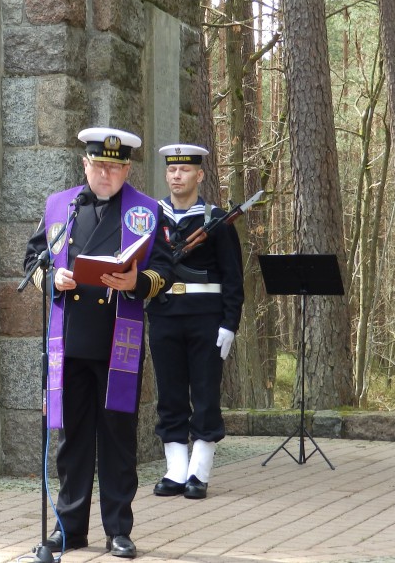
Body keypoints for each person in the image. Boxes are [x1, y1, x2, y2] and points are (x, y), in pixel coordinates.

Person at [24, 127, 167, 559]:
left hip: (117, 340)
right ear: (84, 165)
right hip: (69, 342)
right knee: (74, 439)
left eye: (115, 166)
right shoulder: (60, 206)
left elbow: (165, 272)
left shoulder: (145, 210)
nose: (106, 174)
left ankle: (119, 530)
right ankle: (69, 529)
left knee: (118, 437)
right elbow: (33, 259)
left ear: (127, 169)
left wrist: (137, 280)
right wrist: (52, 277)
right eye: (98, 165)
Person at [148, 144, 243, 499]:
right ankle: (175, 469)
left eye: (185, 170)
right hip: (164, 314)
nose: (176, 176)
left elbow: (233, 277)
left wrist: (229, 323)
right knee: (170, 394)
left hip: (206, 318)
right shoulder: (152, 218)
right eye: (172, 170)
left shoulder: (216, 220)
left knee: (204, 393)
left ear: (199, 175)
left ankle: (198, 471)